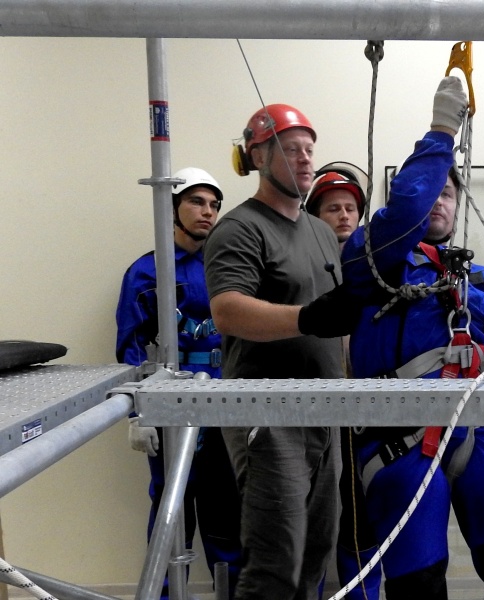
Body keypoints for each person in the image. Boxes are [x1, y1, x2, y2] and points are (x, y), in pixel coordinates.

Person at [341, 76, 484, 600]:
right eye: (430, 191)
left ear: (458, 205)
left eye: (447, 193)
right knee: (419, 590)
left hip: (474, 436)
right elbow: (405, 214)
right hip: (399, 444)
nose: (438, 201)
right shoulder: (374, 262)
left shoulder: (482, 284)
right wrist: (441, 131)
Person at [203, 103, 351, 600]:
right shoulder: (239, 228)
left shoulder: (322, 232)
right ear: (258, 156)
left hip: (327, 411)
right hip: (268, 414)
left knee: (316, 552)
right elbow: (228, 311)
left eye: (309, 149)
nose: (306, 159)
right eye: (291, 149)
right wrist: (305, 318)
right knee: (275, 561)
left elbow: (338, 322)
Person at [115, 167, 242, 600]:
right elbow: (130, 349)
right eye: (196, 202)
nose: (208, 212)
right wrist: (138, 414)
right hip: (169, 407)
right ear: (172, 208)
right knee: (171, 510)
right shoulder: (146, 273)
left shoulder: (226, 269)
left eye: (214, 205)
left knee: (226, 511)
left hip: (225, 405)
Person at [306, 164, 382, 600]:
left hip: (363, 416)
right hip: (309, 411)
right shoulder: (297, 268)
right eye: (333, 208)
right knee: (309, 522)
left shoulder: (376, 269)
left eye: (350, 208)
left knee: (359, 520)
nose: (344, 215)